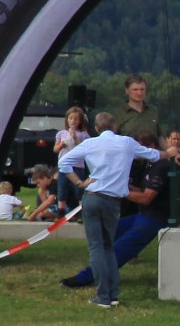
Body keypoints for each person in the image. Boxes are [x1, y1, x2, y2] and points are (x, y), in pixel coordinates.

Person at [58, 111, 162, 308]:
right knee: (108, 247)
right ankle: (113, 294)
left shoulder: (90, 143)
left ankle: (103, 295)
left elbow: (63, 163)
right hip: (114, 201)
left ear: (96, 128)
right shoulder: (127, 142)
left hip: (93, 196)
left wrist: (80, 183)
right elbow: (153, 154)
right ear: (115, 126)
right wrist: (170, 153)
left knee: (96, 247)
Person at [54, 105, 92, 211]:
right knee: (62, 189)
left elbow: (84, 149)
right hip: (64, 166)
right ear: (67, 119)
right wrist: (61, 145)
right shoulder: (61, 133)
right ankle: (61, 211)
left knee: (79, 190)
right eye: (70, 118)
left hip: (78, 166)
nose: (73, 121)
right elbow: (55, 149)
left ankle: (81, 211)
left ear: (80, 121)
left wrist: (75, 138)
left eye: (76, 119)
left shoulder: (83, 135)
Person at [118, 73, 160, 141]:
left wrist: (167, 148)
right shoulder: (118, 114)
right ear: (127, 91)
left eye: (142, 89)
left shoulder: (153, 111)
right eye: (135, 89)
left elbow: (160, 136)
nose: (139, 93)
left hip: (151, 148)